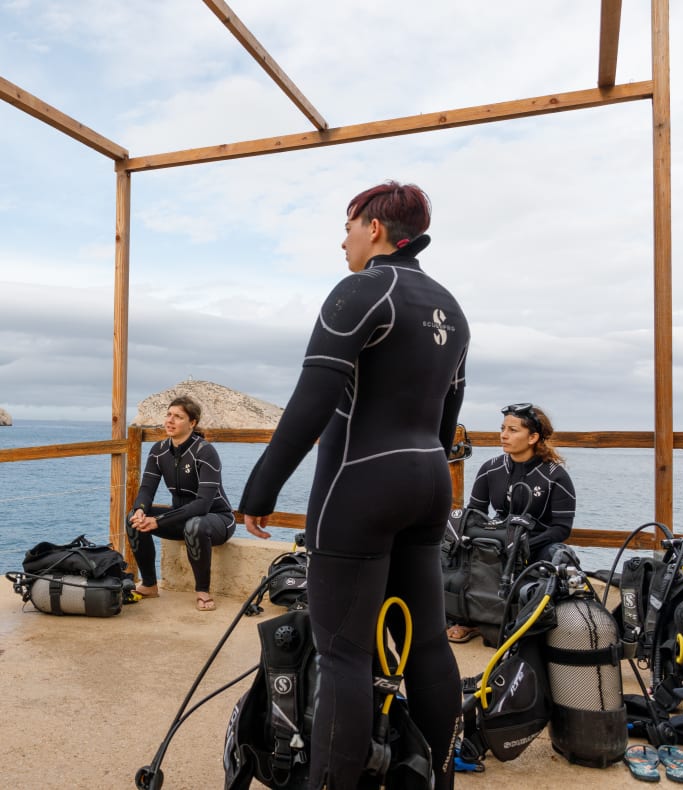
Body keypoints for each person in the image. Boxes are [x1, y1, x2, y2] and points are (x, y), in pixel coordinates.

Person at [239, 181, 470, 790]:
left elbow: (311, 402)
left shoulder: (362, 290)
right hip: (429, 484)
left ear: (374, 229)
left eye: (348, 226)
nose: (342, 240)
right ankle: (438, 779)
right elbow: (447, 421)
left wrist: (261, 488)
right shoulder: (452, 306)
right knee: (425, 645)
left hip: (361, 486)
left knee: (344, 652)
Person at [446, 402, 576, 642]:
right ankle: (469, 617)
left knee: (557, 553)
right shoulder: (491, 469)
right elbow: (474, 515)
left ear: (533, 437)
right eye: (502, 428)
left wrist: (524, 546)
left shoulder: (555, 475)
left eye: (513, 430)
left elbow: (561, 528)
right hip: (499, 539)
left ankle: (527, 619)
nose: (503, 435)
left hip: (537, 545)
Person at [126, 395, 235, 611]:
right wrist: (140, 510)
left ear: (192, 423)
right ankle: (149, 584)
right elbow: (147, 489)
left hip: (216, 520)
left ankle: (202, 591)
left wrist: (158, 520)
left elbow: (203, 504)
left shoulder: (205, 451)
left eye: (178, 417)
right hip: (181, 517)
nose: (170, 420)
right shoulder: (159, 451)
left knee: (194, 524)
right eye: (168, 415)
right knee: (132, 519)